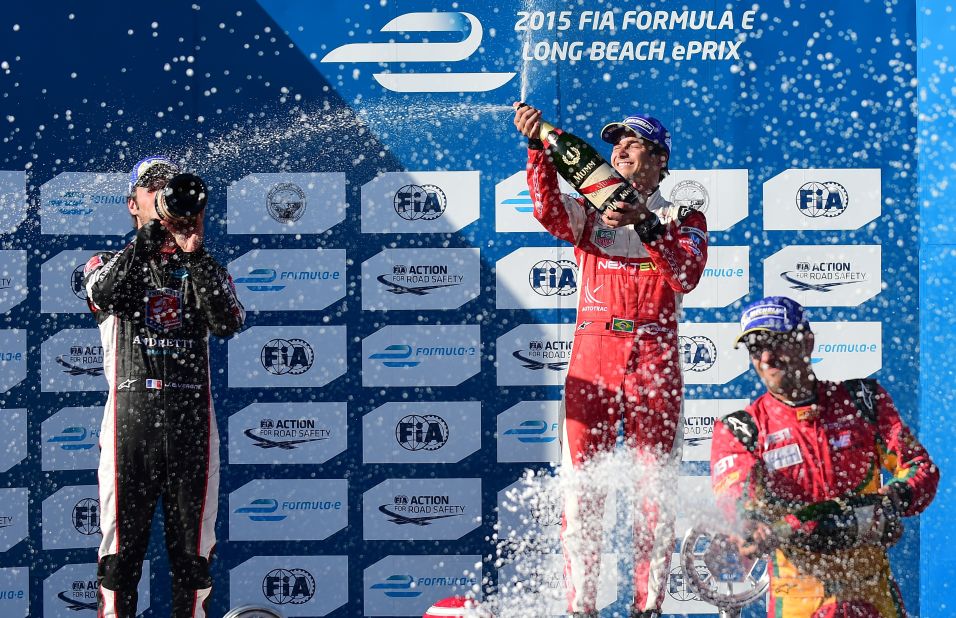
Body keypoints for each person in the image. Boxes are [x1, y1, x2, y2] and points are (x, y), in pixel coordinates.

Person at [512, 104, 708, 618]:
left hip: (655, 357)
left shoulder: (683, 217)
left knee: (653, 495)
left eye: (633, 142)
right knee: (582, 490)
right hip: (593, 353)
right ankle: (582, 609)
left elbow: (685, 275)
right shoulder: (588, 209)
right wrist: (538, 148)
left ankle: (649, 609)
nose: (619, 148)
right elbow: (546, 211)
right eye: (615, 142)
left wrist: (644, 221)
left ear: (660, 160)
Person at [84, 155, 245, 618]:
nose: (162, 197)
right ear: (133, 204)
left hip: (190, 422)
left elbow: (228, 320)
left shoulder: (204, 266)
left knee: (193, 561)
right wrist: (147, 241)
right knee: (120, 559)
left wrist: (191, 252)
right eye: (152, 189)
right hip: (129, 424)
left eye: (169, 188)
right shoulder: (110, 261)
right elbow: (105, 294)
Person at [710, 296, 939, 617]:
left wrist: (895, 499)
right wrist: (750, 525)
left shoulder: (863, 401)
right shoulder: (741, 429)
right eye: (754, 348)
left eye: (775, 342)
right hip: (799, 597)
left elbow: (920, 469)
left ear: (807, 342)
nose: (765, 357)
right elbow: (735, 497)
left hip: (872, 592)